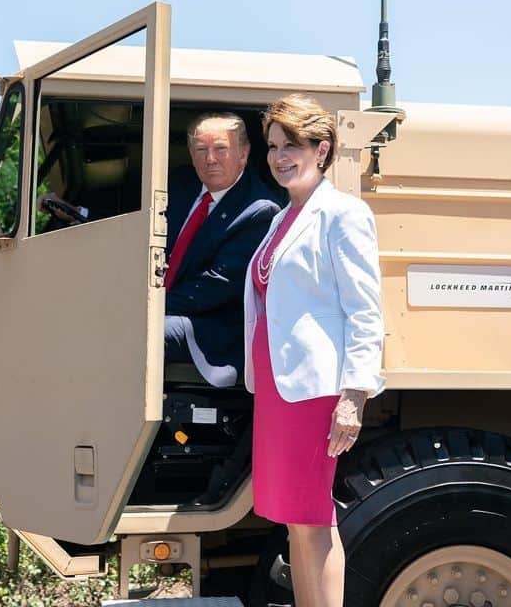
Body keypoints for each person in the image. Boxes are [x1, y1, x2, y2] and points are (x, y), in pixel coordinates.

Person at [244, 94, 384, 607]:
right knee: (295, 522)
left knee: (312, 517)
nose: (279, 157)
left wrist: (355, 395)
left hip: (314, 390)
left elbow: (366, 311)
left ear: (321, 149)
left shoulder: (342, 213)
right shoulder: (283, 219)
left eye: (292, 146)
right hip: (278, 388)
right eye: (274, 147)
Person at [163, 112, 280, 387]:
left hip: (210, 324)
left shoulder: (259, 210)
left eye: (221, 149)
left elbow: (216, 285)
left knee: (144, 334)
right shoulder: (180, 183)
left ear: (244, 153)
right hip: (171, 303)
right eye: (201, 150)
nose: (210, 159)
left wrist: (147, 306)